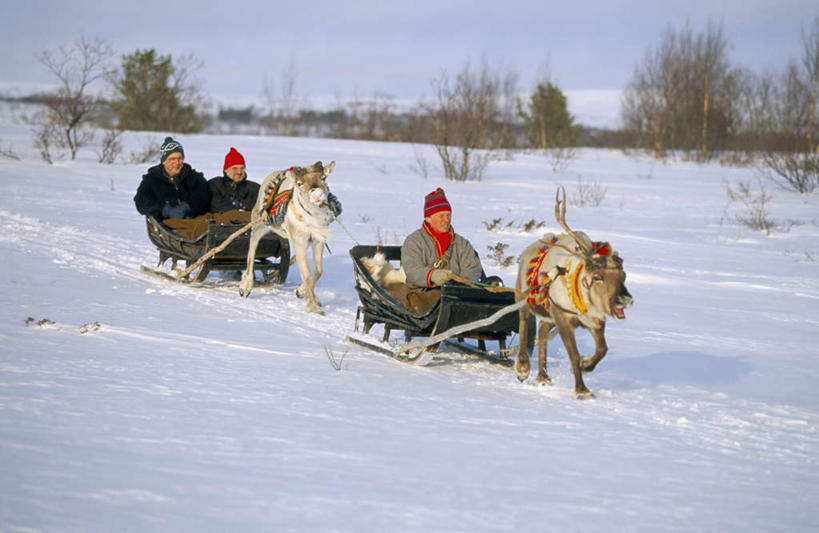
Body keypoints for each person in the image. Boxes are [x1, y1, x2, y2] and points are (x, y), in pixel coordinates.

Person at [401, 187, 484, 312]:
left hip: (459, 295)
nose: (447, 220)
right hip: (421, 295)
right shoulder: (414, 241)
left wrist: (463, 283)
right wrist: (433, 275)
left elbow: (473, 268)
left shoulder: (461, 243)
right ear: (428, 218)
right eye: (441, 216)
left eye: (448, 215)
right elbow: (412, 271)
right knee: (445, 302)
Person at [133, 136, 211, 221]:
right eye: (172, 159)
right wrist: (165, 210)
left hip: (193, 220)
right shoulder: (151, 179)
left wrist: (186, 207)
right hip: (164, 224)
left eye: (180, 158)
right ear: (164, 161)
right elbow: (141, 200)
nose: (177, 163)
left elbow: (203, 195)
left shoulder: (194, 177)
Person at [208, 147, 260, 214]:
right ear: (226, 170)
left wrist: (244, 207)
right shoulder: (215, 185)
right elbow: (216, 205)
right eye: (234, 168)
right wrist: (239, 212)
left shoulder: (254, 188)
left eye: (242, 168)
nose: (239, 172)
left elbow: (261, 205)